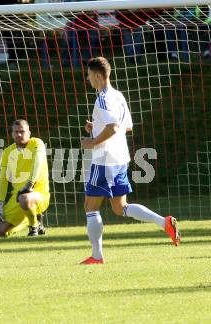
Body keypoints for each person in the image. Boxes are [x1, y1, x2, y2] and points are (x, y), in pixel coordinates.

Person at [80, 56, 181, 265]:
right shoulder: (118, 96)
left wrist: (93, 141)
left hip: (105, 159)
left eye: (89, 75)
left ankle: (97, 256)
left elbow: (114, 127)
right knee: (120, 208)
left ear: (98, 76)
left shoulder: (102, 98)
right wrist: (96, 126)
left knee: (90, 206)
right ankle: (164, 223)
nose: (88, 79)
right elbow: (127, 126)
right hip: (120, 158)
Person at [0, 119, 49, 238]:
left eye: (22, 131)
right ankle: (33, 220)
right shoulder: (7, 152)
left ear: (29, 133)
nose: (19, 134)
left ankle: (34, 227)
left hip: (38, 195)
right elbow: (3, 180)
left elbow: (38, 162)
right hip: (16, 199)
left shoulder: (37, 143)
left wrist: (29, 185)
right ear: (12, 134)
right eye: (16, 132)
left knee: (24, 198)